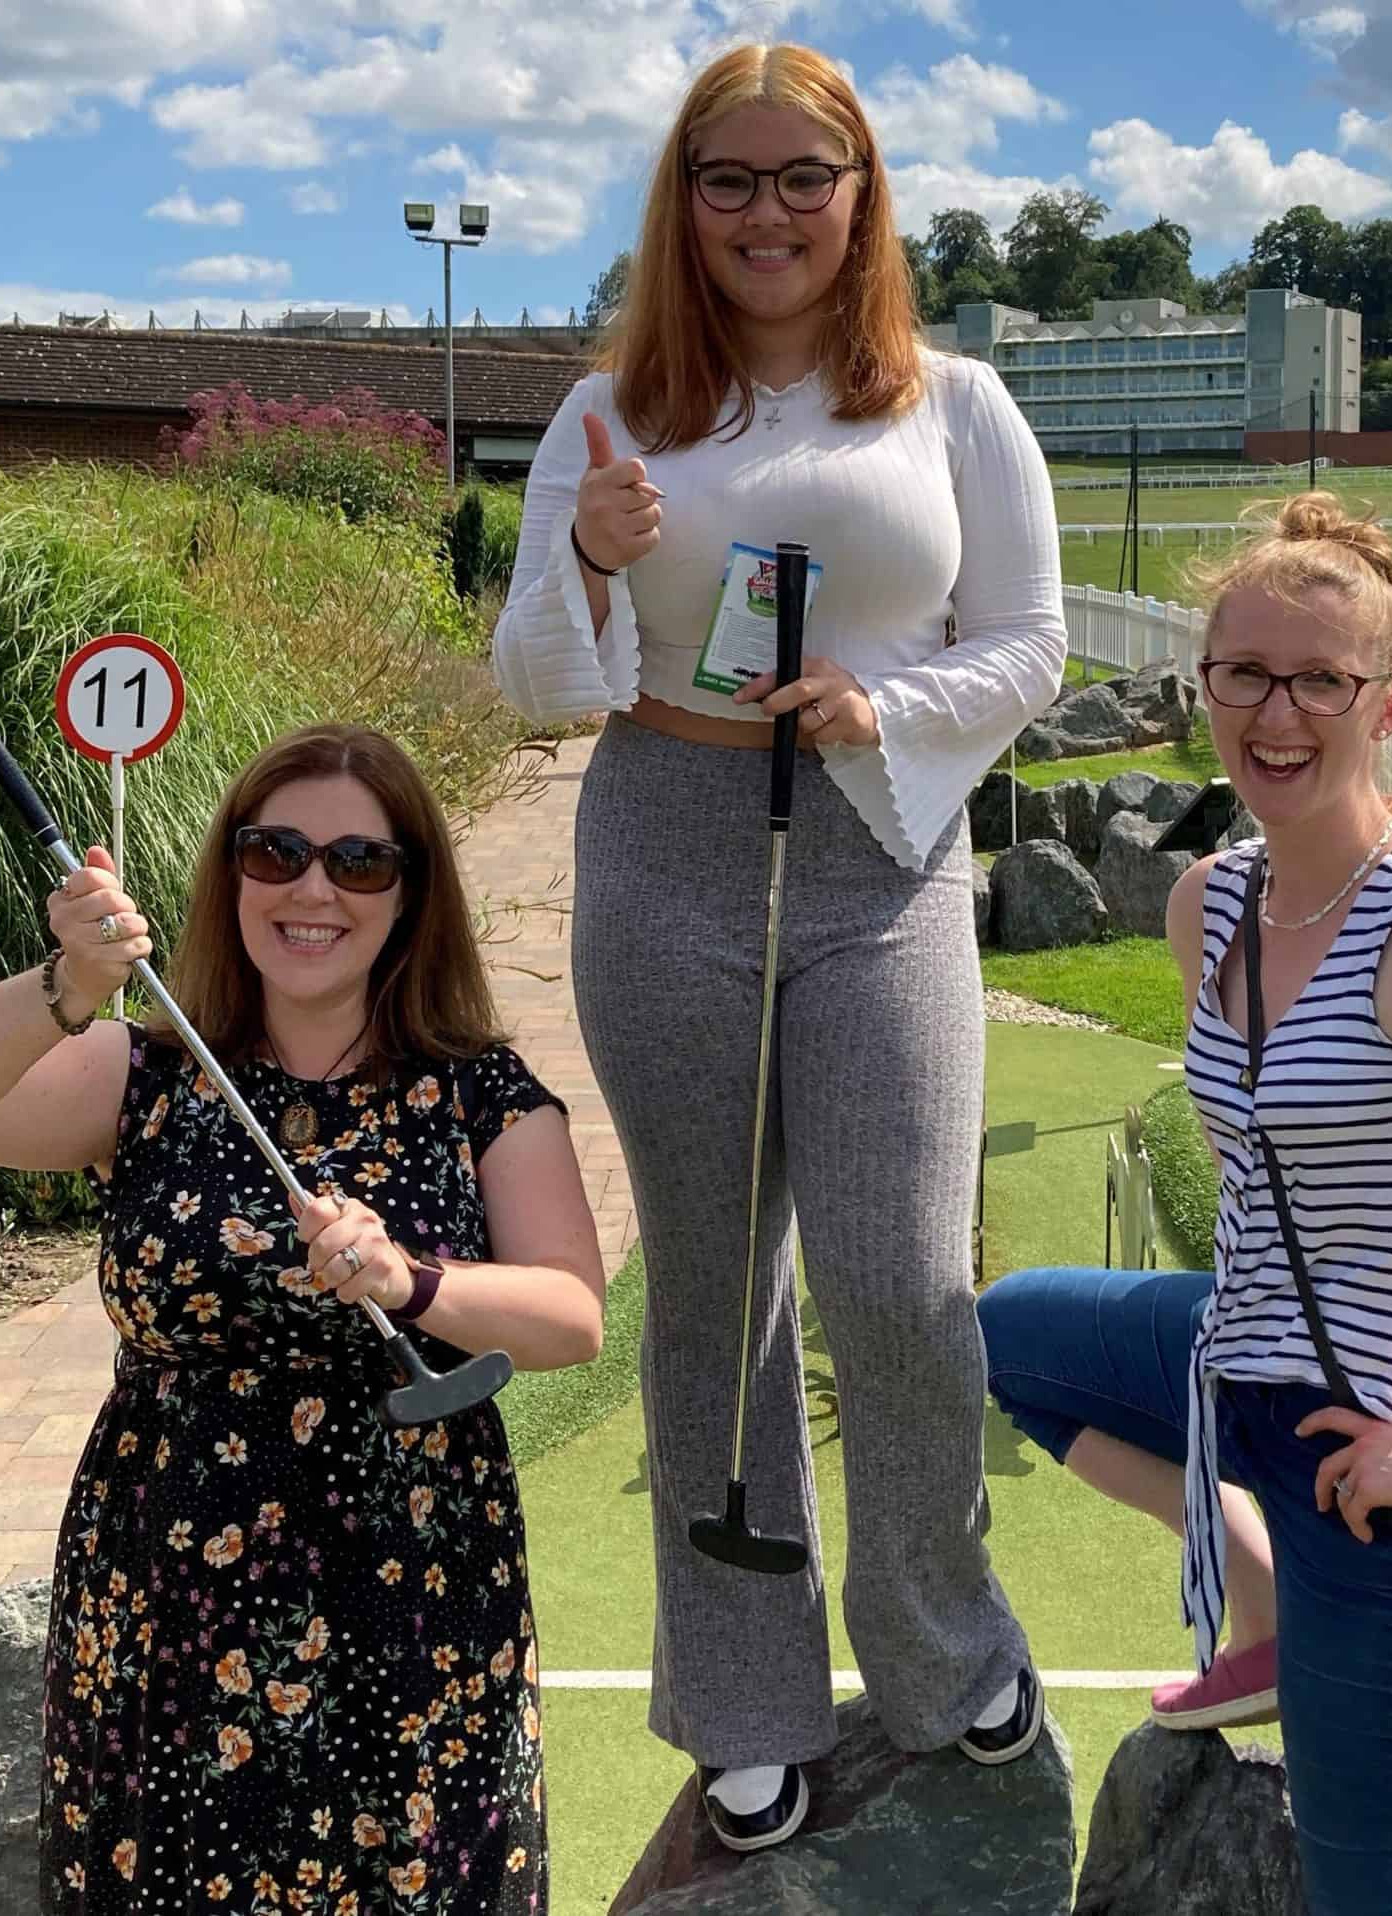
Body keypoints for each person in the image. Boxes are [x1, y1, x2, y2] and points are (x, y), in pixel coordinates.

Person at [489, 40, 1062, 1853]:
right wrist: (585, 558)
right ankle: (740, 1693)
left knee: (902, 1282)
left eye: (803, 176)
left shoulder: (954, 401)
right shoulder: (607, 414)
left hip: (883, 853)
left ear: (861, 194)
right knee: (720, 1289)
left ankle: (933, 1640)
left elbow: (1031, 647)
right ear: (682, 202)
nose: (766, 213)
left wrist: (883, 702)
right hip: (666, 837)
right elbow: (542, 687)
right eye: (727, 180)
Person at [976, 495, 1392, 1915]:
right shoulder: (1209, 904)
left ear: (1388, 701)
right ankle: (1252, 1579)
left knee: (1381, 1899)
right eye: (1245, 674)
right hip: (1238, 1366)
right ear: (1201, 682)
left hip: (1378, 1469)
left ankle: (1305, 1581)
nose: (1276, 715)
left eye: (1321, 682)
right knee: (1003, 1338)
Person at [0, 723, 605, 1913]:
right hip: (168, 1576)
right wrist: (68, 985)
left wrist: (413, 1278)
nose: (313, 888)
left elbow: (570, 1313)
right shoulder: (146, 1071)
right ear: (231, 874)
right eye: (276, 852)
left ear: (410, 892)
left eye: (359, 862)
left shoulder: (480, 1088)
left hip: (410, 1581)